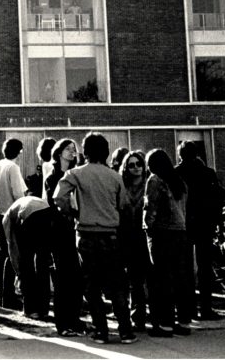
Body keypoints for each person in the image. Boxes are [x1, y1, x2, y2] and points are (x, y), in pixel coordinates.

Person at [53, 132, 136, 345]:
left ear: (85, 152)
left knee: (92, 285)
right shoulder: (114, 176)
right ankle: (126, 330)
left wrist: (73, 213)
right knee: (117, 283)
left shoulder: (75, 173)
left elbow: (58, 197)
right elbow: (125, 206)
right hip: (111, 234)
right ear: (106, 151)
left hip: (86, 234)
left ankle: (101, 331)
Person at [174, 140, 225, 321]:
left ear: (180, 154)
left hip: (184, 224)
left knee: (185, 268)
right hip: (205, 224)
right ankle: (206, 307)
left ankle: (188, 308)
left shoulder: (176, 173)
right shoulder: (208, 173)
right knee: (205, 267)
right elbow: (219, 197)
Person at [143, 148, 191, 337]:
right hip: (181, 232)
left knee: (162, 280)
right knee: (181, 279)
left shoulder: (155, 180)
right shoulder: (179, 181)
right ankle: (184, 323)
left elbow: (150, 208)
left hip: (162, 233)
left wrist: (147, 228)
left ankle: (165, 324)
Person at [44, 138, 85, 336]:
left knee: (76, 276)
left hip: (75, 228)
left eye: (74, 150)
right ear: (58, 152)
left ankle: (75, 319)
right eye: (68, 149)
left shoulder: (76, 175)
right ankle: (63, 322)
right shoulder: (53, 177)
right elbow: (55, 203)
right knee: (62, 276)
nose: (72, 152)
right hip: (59, 230)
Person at [1, 195, 62, 321]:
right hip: (47, 212)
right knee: (42, 262)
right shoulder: (17, 205)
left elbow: (12, 246)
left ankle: (30, 309)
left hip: (31, 216)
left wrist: (18, 272)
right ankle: (43, 309)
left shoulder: (6, 220)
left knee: (26, 263)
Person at [0, 138, 26, 310]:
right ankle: (9, 295)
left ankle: (3, 294)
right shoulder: (13, 167)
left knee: (2, 254)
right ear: (18, 151)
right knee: (13, 255)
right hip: (12, 214)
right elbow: (18, 193)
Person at [119, 150, 150, 331]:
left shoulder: (149, 185)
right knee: (135, 280)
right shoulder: (123, 187)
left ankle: (154, 315)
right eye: (131, 165)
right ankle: (138, 316)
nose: (136, 168)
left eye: (138, 164)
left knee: (151, 278)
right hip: (129, 237)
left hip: (147, 236)